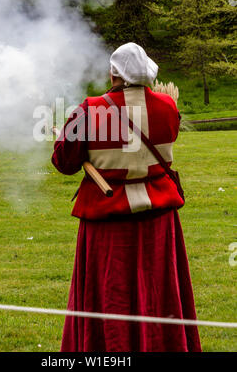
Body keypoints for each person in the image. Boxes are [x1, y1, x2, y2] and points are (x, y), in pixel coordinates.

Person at [52, 42, 202, 352]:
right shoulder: (167, 106)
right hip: (158, 220)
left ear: (113, 74)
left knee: (110, 294)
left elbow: (65, 163)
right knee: (159, 293)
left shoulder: (89, 109)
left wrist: (62, 140)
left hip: (109, 222)